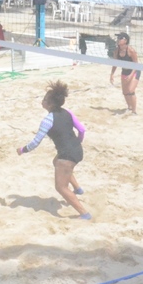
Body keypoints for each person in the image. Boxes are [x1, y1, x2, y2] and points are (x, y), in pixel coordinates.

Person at [17, 80, 90, 220]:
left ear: (50, 104)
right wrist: (77, 142)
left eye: (44, 99)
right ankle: (78, 189)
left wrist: (22, 150)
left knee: (61, 187)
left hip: (67, 156)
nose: (42, 101)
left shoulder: (47, 121)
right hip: (77, 150)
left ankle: (84, 213)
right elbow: (81, 130)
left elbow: (35, 143)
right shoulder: (67, 112)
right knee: (56, 162)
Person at [109, 32, 140, 116]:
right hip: (125, 71)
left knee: (131, 91)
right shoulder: (117, 51)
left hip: (135, 70)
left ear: (125, 41)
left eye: (120, 38)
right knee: (125, 92)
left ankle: (134, 111)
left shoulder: (131, 50)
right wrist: (112, 74)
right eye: (118, 38)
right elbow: (115, 64)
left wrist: (131, 75)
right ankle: (129, 107)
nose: (118, 40)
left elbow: (136, 64)